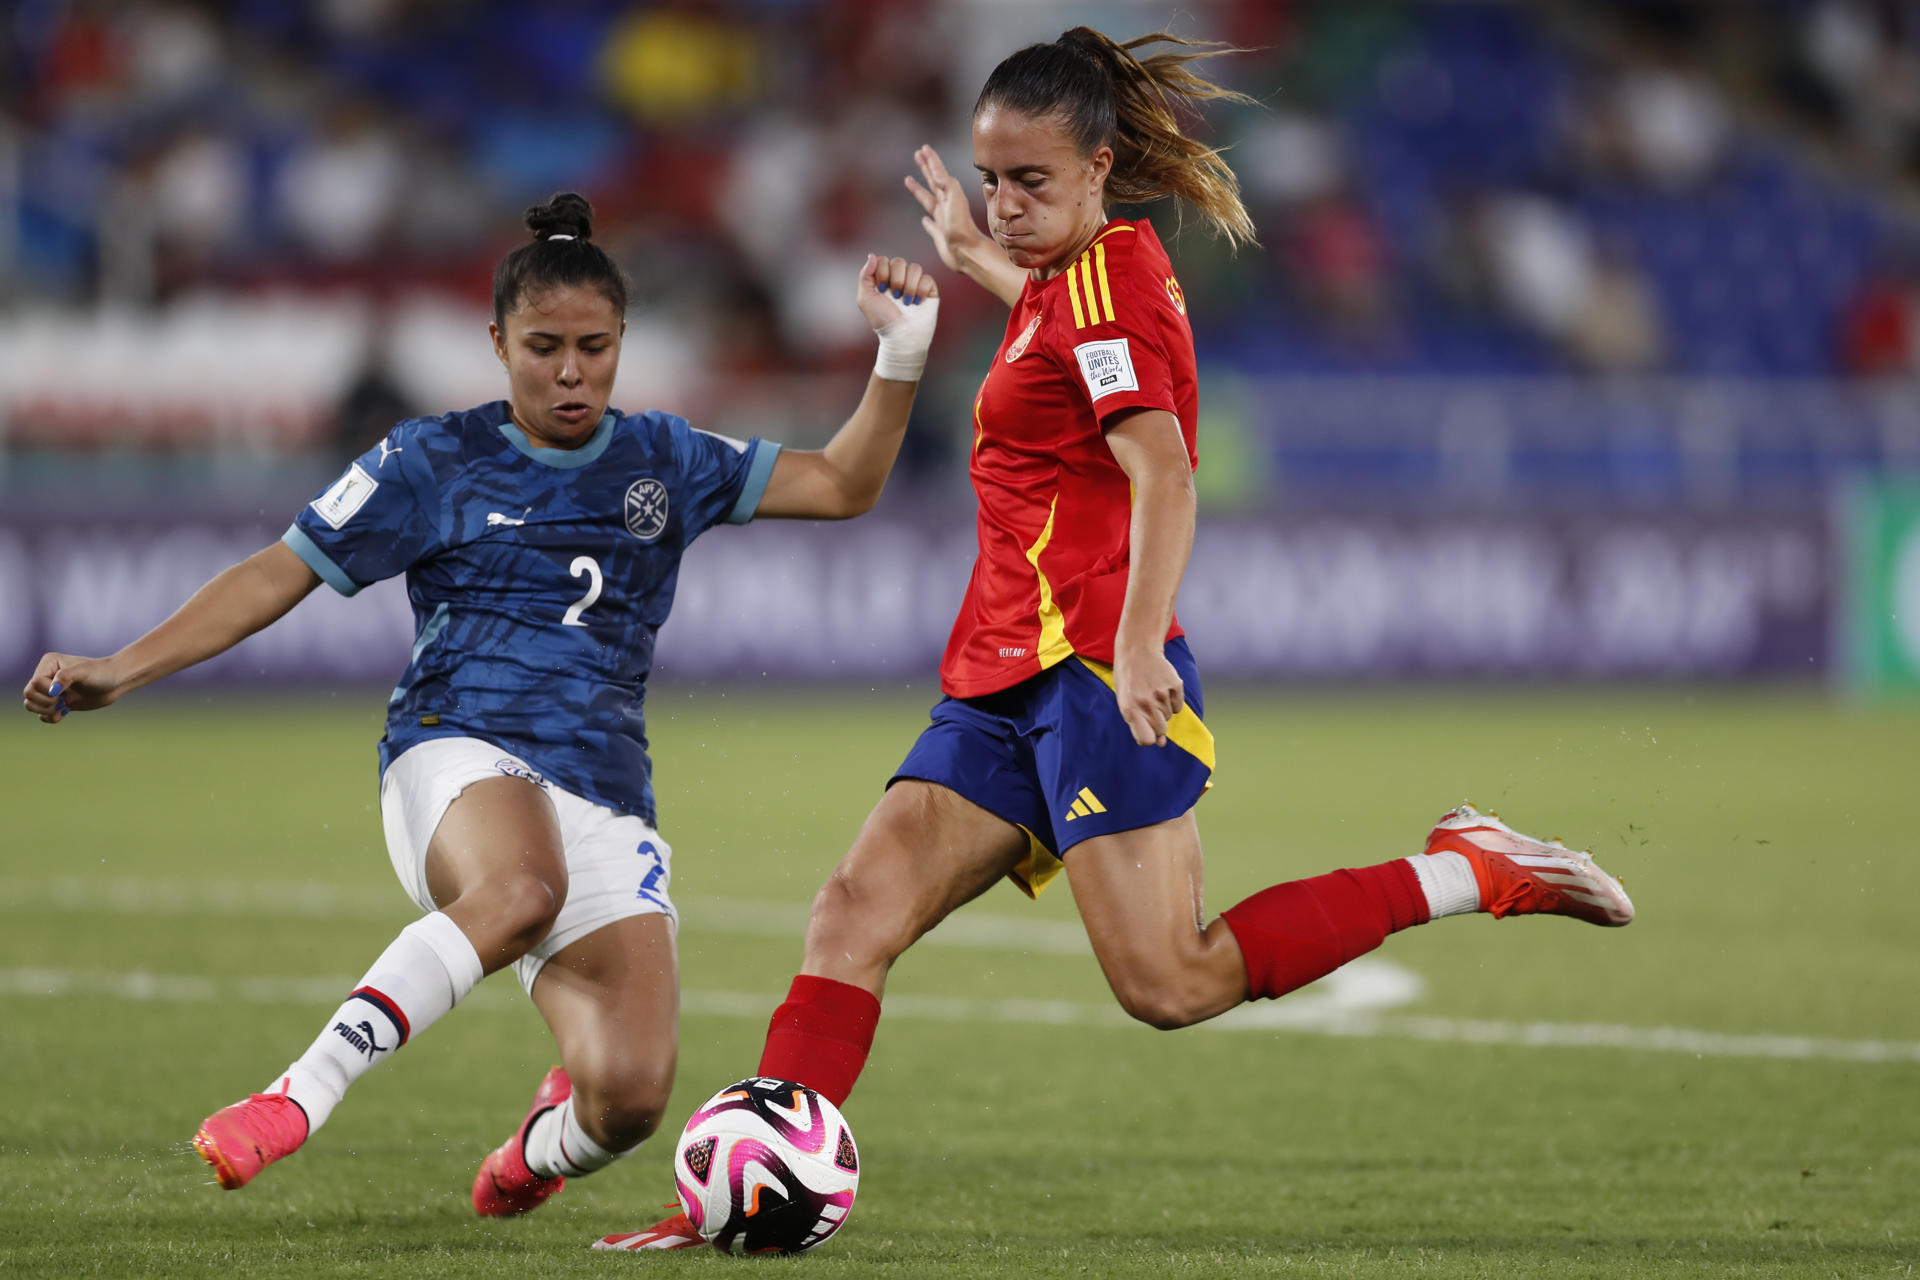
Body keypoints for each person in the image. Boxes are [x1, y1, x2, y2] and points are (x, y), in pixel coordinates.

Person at [603, 27, 1634, 1253]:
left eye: (1031, 181)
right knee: (852, 913)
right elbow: (1054, 333)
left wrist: (1140, 644)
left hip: (1093, 671)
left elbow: (1166, 477)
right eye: (994, 177)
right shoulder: (1068, 279)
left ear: (1100, 168)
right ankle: (746, 1190)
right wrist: (980, 254)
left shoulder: (1113, 295)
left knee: (1170, 982)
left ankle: (1468, 868)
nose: (1007, 200)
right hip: (999, 673)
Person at [19, 192, 942, 1216]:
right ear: (497, 341)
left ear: (623, 341)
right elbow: (278, 571)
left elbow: (845, 483)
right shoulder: (433, 460)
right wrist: (123, 666)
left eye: (594, 346)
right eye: (543, 345)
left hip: (604, 787)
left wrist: (900, 354)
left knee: (631, 1096)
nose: (570, 370)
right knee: (519, 889)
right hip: (453, 750)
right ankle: (298, 1094)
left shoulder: (667, 459)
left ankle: (531, 1153)